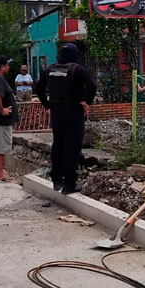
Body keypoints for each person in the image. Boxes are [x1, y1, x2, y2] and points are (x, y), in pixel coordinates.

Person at [35, 43, 97, 194]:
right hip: (74, 111)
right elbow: (92, 86)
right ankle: (69, 184)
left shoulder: (49, 69)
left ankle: (56, 179)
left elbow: (39, 89)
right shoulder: (77, 69)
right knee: (72, 147)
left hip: (56, 111)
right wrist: (87, 103)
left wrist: (47, 105)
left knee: (58, 145)